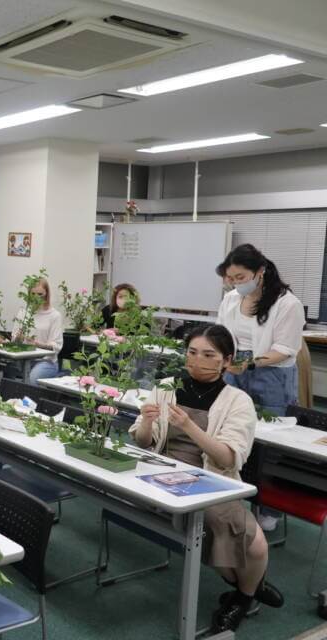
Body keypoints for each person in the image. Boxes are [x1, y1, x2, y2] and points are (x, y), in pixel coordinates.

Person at [131, 324, 283, 633]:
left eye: (208, 355)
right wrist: (146, 423)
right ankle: (249, 588)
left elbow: (227, 458)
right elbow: (143, 442)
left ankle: (242, 595)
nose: (197, 360)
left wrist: (189, 426)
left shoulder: (237, 401)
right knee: (223, 537)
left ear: (227, 361)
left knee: (249, 543)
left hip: (211, 478)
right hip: (162, 474)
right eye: (192, 352)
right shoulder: (166, 387)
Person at [216, 244, 304, 417]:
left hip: (272, 373)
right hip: (234, 368)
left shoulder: (287, 304)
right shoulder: (230, 299)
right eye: (231, 278)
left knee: (272, 425)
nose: (236, 283)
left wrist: (248, 363)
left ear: (260, 271)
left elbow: (284, 350)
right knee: (231, 418)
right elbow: (220, 334)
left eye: (240, 277)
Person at [11, 278, 63, 384]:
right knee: (9, 372)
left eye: (40, 294)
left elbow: (56, 346)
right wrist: (18, 338)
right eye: (33, 294)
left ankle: (31, 400)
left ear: (47, 294)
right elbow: (14, 340)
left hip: (46, 361)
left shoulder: (54, 315)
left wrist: (38, 344)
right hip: (24, 358)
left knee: (33, 377)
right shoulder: (23, 313)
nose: (36, 298)